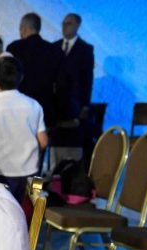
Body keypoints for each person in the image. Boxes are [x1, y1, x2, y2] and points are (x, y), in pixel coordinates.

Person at [0, 55, 48, 202]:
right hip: (32, 177)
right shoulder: (34, 106)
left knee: (1, 216)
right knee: (32, 213)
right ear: (21, 78)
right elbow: (44, 142)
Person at [51, 13, 94, 171]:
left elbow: (87, 79)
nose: (65, 27)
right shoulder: (54, 47)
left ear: (77, 25)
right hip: (56, 108)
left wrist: (85, 106)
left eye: (68, 23)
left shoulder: (85, 49)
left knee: (73, 152)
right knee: (54, 153)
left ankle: (71, 181)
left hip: (75, 106)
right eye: (63, 23)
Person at [6, 13, 63, 131]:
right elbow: (60, 84)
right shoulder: (54, 50)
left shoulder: (14, 48)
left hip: (19, 110)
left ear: (23, 29)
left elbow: (8, 80)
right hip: (45, 111)